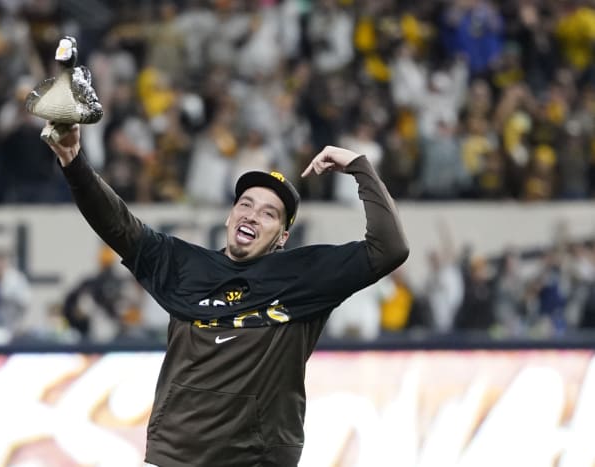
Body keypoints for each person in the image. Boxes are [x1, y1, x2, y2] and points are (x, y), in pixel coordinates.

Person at [44, 123, 409, 467]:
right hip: (177, 457)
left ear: (282, 237)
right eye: (245, 204)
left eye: (269, 214)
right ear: (230, 215)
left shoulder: (306, 275)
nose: (252, 216)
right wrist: (73, 162)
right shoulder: (186, 266)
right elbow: (116, 223)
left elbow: (389, 248)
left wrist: (359, 167)